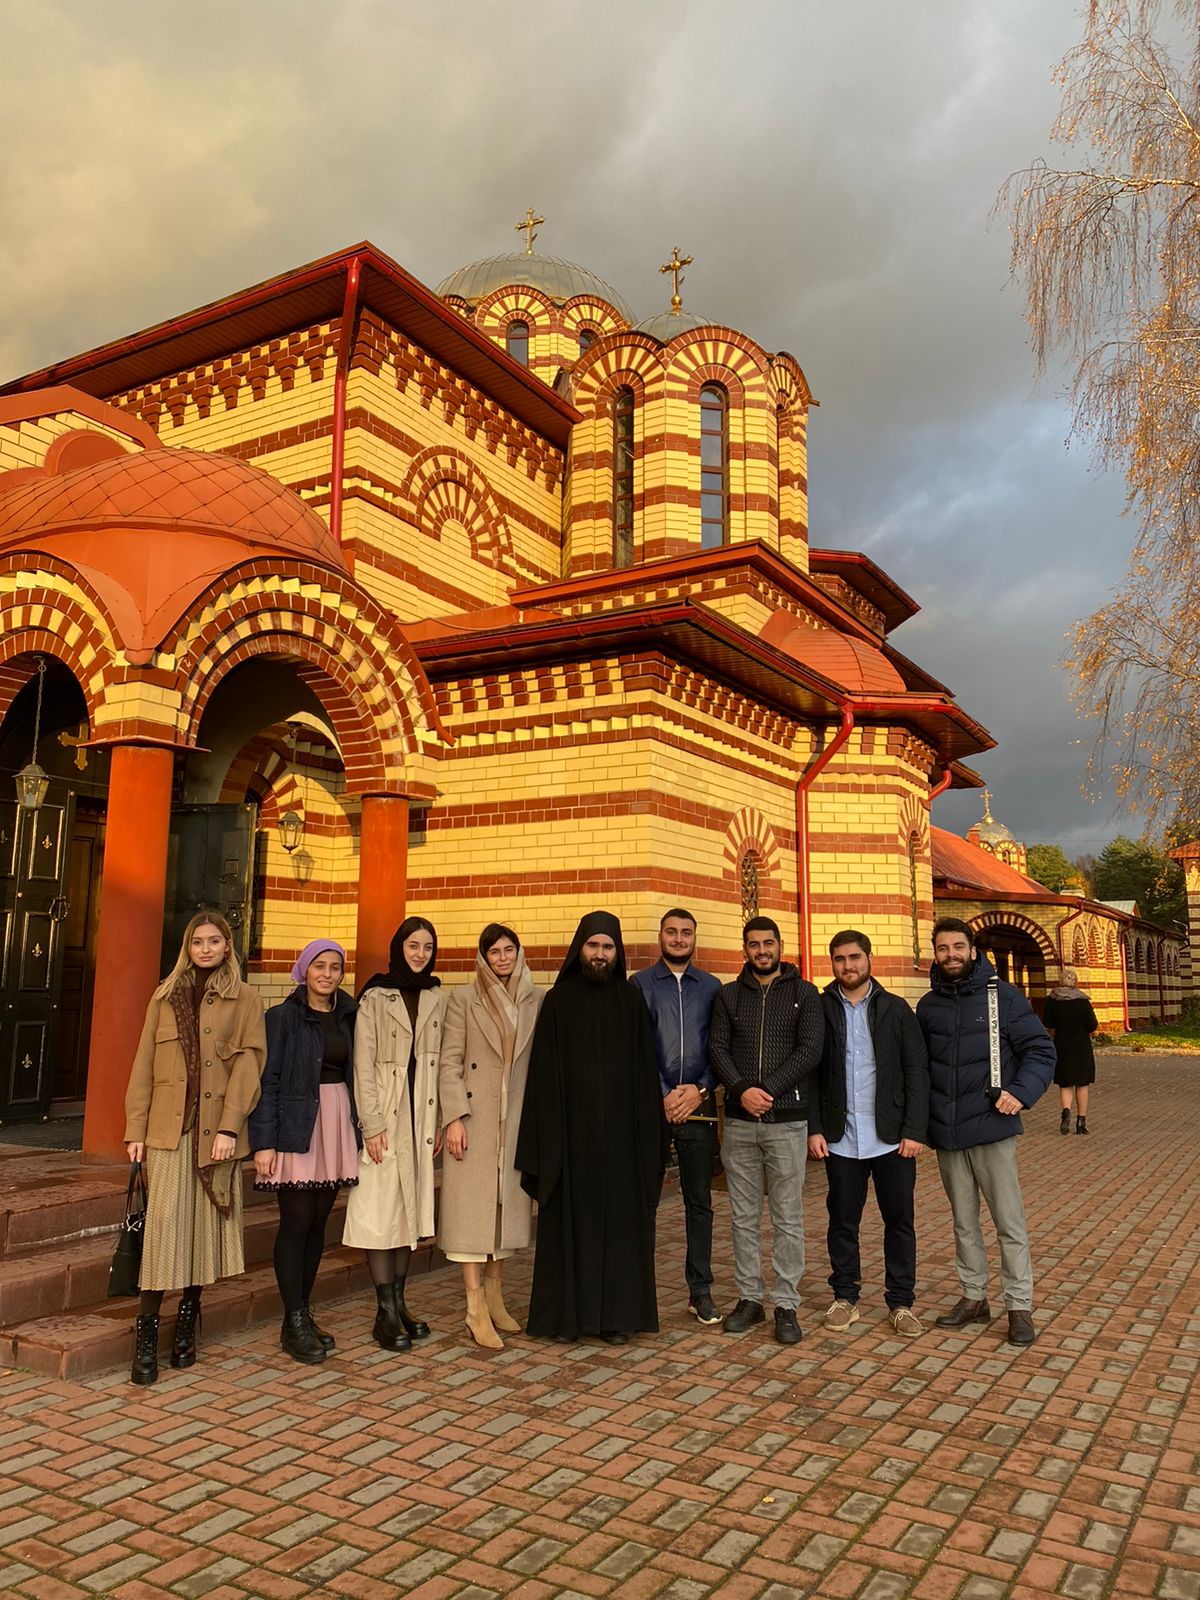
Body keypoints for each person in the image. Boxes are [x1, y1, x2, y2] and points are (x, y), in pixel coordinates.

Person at [123, 910, 266, 1385]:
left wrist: (230, 1128)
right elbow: (143, 1064)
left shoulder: (245, 999)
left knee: (203, 1228)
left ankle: (187, 1321)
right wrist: (135, 1129)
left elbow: (249, 1069)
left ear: (228, 946)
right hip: (167, 1133)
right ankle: (146, 1336)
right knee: (164, 1231)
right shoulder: (163, 998)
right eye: (197, 942)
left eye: (214, 941)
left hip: (215, 1135)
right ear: (188, 947)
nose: (205, 949)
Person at [516, 911, 667, 1344]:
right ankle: (567, 1318)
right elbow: (544, 1078)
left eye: (607, 947)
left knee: (621, 1230)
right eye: (592, 945)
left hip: (621, 1143)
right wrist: (549, 1143)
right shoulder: (559, 1002)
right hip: (571, 1143)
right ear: (579, 948)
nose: (599, 954)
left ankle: (617, 1318)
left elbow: (643, 1073)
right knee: (569, 1229)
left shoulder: (630, 1000)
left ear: (616, 953)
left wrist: (647, 1140)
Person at [917, 917, 1055, 1347]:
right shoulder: (928, 1005)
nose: (951, 955)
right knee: (963, 1223)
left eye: (958, 947)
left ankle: (1019, 1305)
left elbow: (1040, 1051)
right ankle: (974, 1297)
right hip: (947, 1131)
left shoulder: (1004, 998)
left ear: (973, 951)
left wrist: (1020, 1092)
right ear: (935, 954)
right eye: (943, 949)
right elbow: (919, 1069)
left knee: (1008, 1222)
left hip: (992, 1126)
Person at [807, 930, 930, 1337]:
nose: (848, 966)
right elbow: (809, 1072)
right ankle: (845, 1297)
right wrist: (814, 1127)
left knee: (899, 1221)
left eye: (855, 957)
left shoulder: (896, 1010)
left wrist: (914, 1130)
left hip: (891, 1138)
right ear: (833, 963)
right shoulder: (820, 1008)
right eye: (840, 959)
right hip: (840, 1138)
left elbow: (917, 1072)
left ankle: (901, 1302)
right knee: (842, 1220)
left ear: (869, 958)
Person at [709, 916, 824, 1345]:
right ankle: (750, 1299)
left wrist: (766, 1091)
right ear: (745, 950)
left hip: (787, 1121)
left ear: (780, 946)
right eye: (754, 944)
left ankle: (786, 1304)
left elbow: (810, 1049)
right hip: (739, 1125)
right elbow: (717, 1048)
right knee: (742, 1217)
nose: (762, 951)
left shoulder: (804, 993)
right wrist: (741, 1090)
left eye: (768, 943)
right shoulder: (727, 996)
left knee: (787, 1217)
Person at [249, 939, 359, 1365]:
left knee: (317, 1224)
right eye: (319, 966)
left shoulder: (350, 1016)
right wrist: (265, 1142)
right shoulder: (281, 1018)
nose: (327, 974)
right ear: (304, 970)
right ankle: (293, 1319)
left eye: (335, 967)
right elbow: (267, 1081)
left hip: (336, 1124)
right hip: (297, 1124)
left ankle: (301, 1313)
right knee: (295, 1222)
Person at [341, 916, 444, 1352]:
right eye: (412, 945)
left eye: (427, 946)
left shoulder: (439, 996)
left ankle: (400, 1303)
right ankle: (383, 1312)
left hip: (422, 1116)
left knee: (408, 1215)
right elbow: (361, 1065)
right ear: (398, 947)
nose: (419, 954)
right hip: (386, 1113)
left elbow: (443, 1064)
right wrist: (372, 1124)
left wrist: (440, 1120)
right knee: (380, 1210)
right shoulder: (375, 996)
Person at [438, 922, 542, 1349]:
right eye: (494, 952)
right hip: (475, 1116)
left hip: (515, 1116)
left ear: (518, 953)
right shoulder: (464, 998)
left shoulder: (536, 998)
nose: (502, 958)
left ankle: (496, 1296)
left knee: (504, 1208)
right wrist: (454, 1117)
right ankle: (474, 1306)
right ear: (482, 957)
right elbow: (449, 1061)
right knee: (470, 1214)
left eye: (508, 950)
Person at [630, 907, 723, 1325]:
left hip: (699, 1108)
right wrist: (665, 1095)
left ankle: (699, 1291)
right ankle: (638, 1291)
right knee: (645, 1202)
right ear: (661, 937)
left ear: (694, 938)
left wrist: (698, 1089)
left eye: (686, 933)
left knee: (699, 1203)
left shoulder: (712, 987)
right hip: (653, 1110)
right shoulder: (640, 985)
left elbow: (721, 1048)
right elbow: (635, 1048)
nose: (679, 939)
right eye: (672, 932)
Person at [1043, 968, 1099, 1135]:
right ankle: (1081, 1122)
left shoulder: (1052, 1000)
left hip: (1061, 1045)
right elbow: (1092, 1024)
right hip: (1081, 1045)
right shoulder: (1082, 1001)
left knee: (1065, 1083)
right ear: (1075, 982)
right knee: (1082, 1084)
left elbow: (1048, 1022)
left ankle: (1066, 1111)